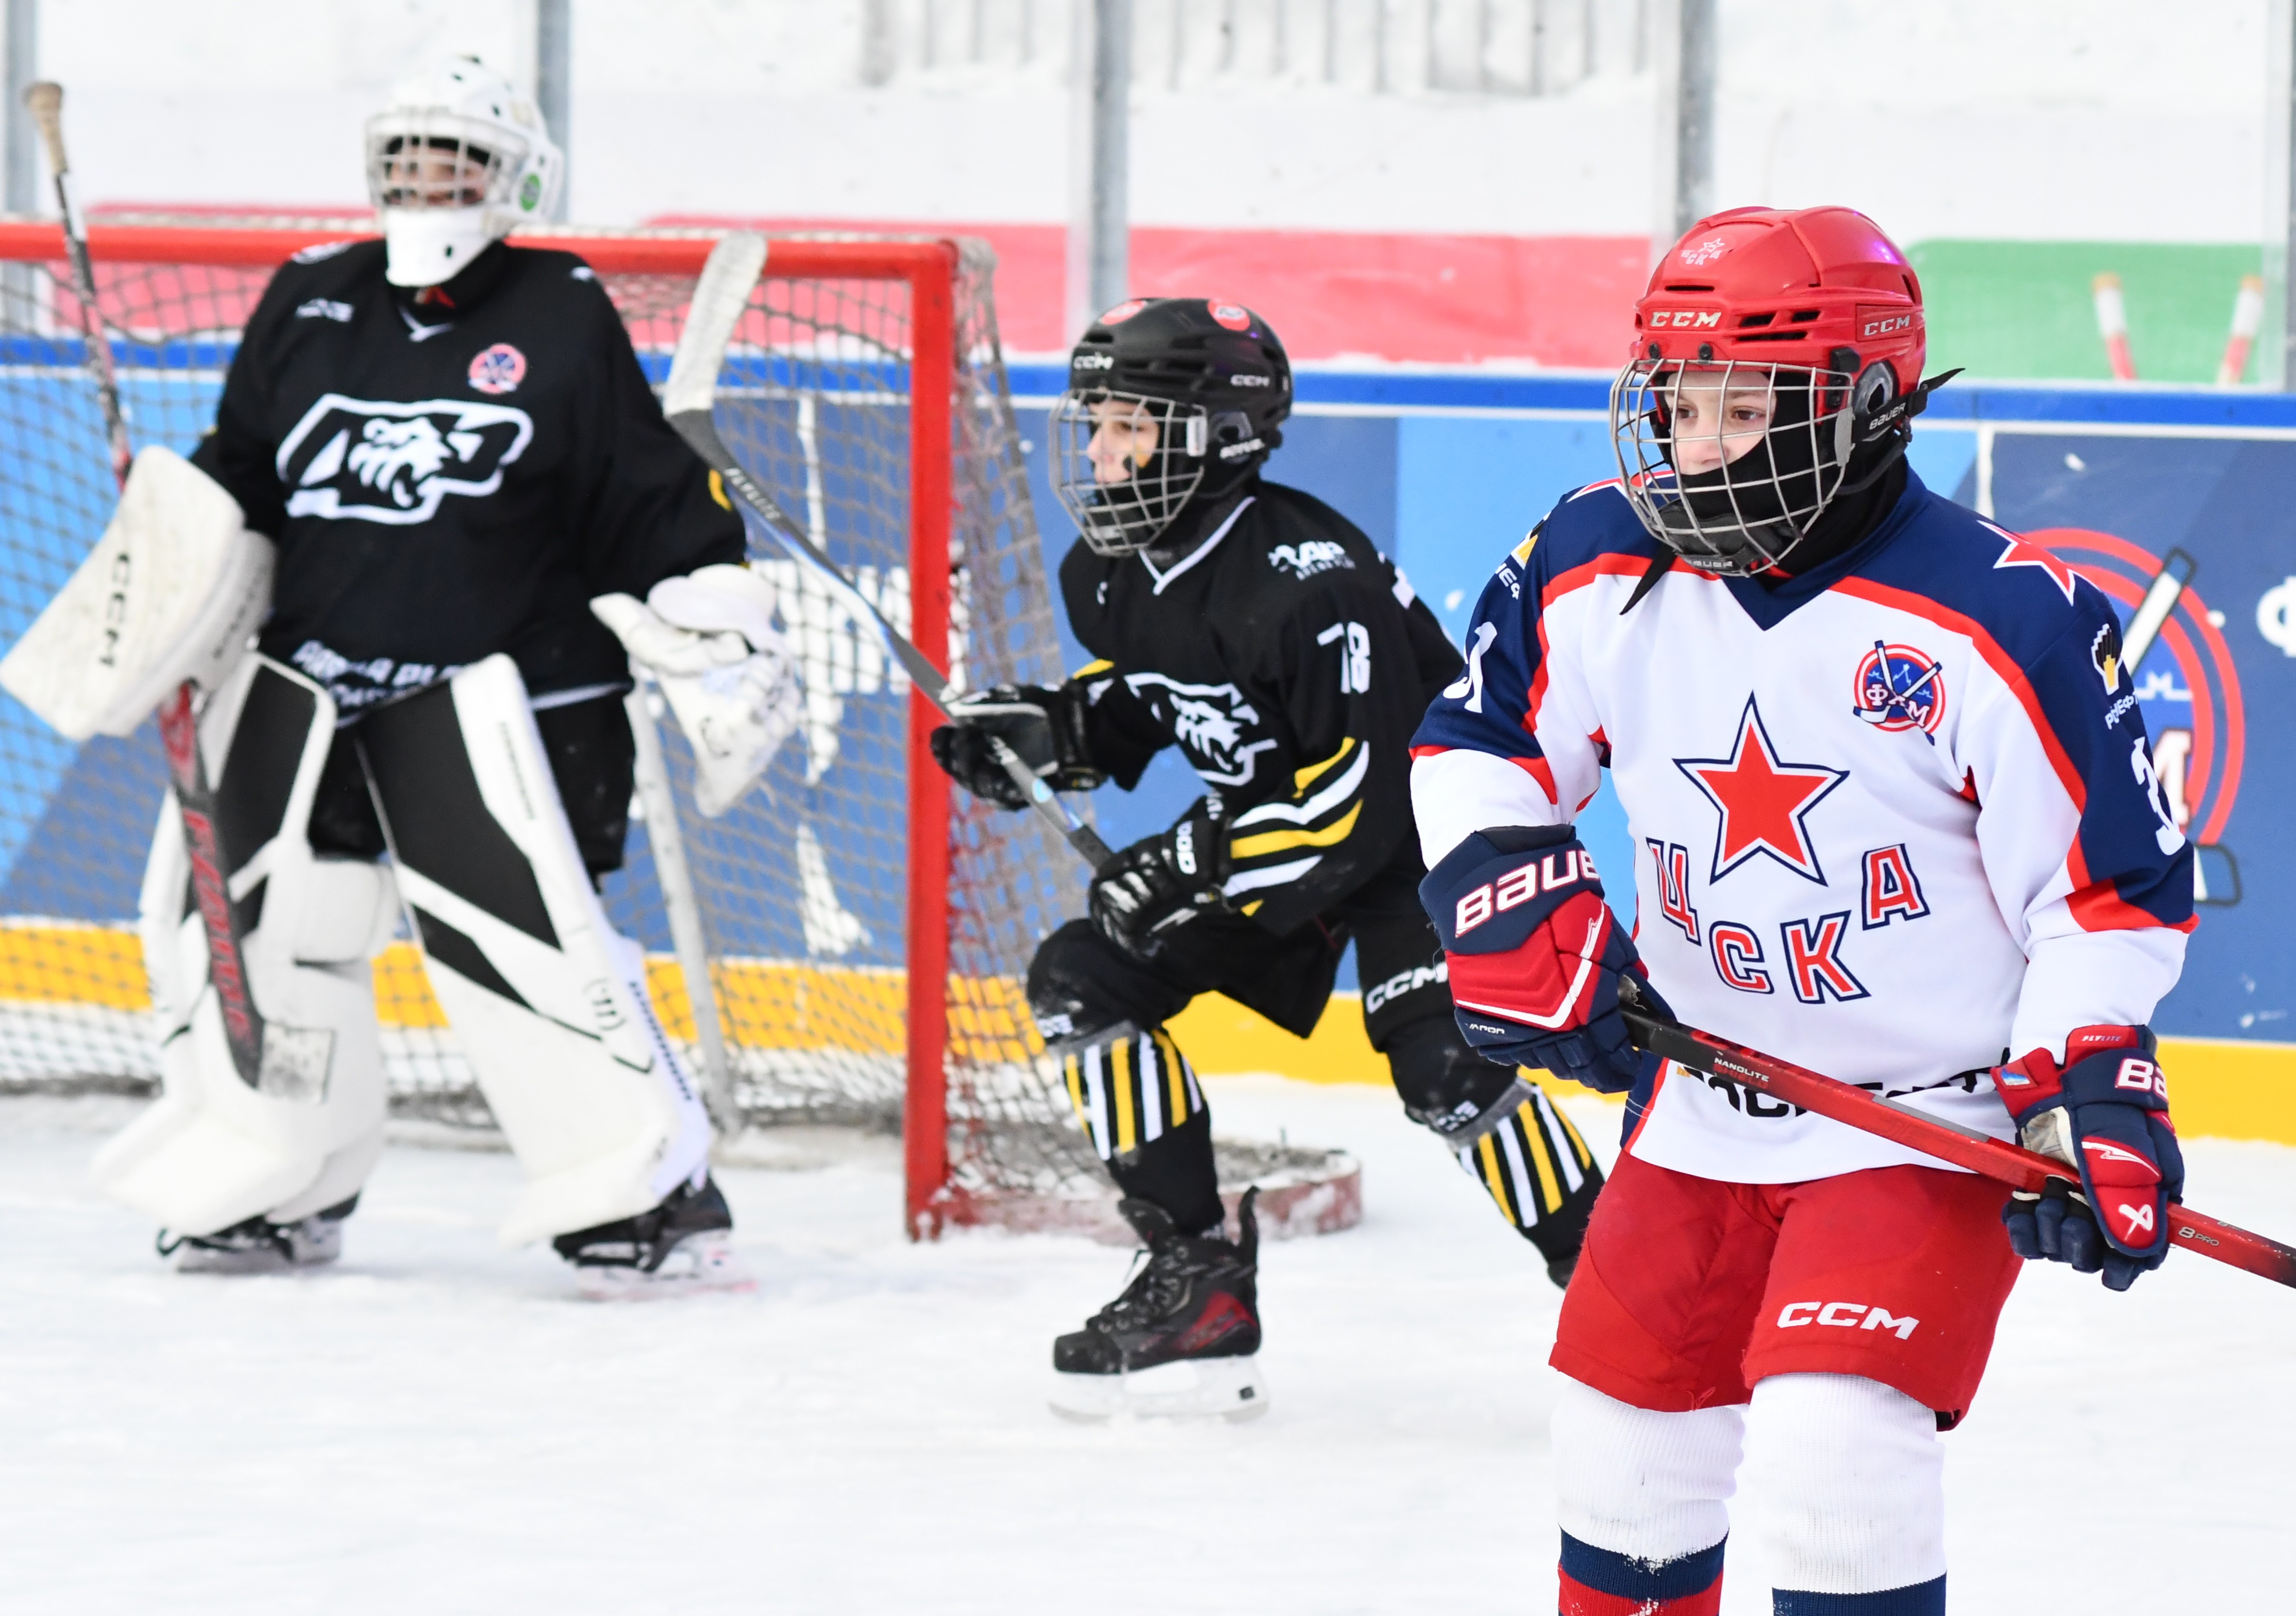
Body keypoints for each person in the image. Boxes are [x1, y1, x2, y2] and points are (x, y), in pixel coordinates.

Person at [1410, 206, 2194, 1613]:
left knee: (1840, 1462)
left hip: (1924, 1122)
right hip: (1703, 1106)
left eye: (1742, 402)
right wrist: (1507, 899)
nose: (1691, 443)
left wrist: (2088, 1082)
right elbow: (1482, 747)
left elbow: (2105, 894)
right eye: (1676, 398)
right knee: (1622, 1459)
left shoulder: (2001, 616)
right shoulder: (1599, 557)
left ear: (1871, 402)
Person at [83, 58, 798, 1290]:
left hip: (506, 700)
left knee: (532, 952)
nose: (427, 179)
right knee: (265, 940)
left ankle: (648, 1191)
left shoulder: (559, 307)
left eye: (456, 156)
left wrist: (709, 594)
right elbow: (245, 469)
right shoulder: (312, 295)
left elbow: (641, 495)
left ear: (514, 177)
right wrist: (171, 550)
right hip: (311, 690)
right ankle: (282, 1176)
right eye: (407, 154)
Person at [931, 296, 1604, 1420]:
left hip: (1420, 842)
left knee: (1445, 1075)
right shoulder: (1109, 570)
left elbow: (1362, 794)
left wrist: (1190, 858)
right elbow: (1169, 697)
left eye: (1129, 427)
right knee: (1080, 981)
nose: (1097, 452)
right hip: (1275, 841)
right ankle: (1196, 1277)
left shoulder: (1310, 578)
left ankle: (1614, 1279)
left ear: (1214, 434)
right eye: (1093, 423)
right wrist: (1057, 734)